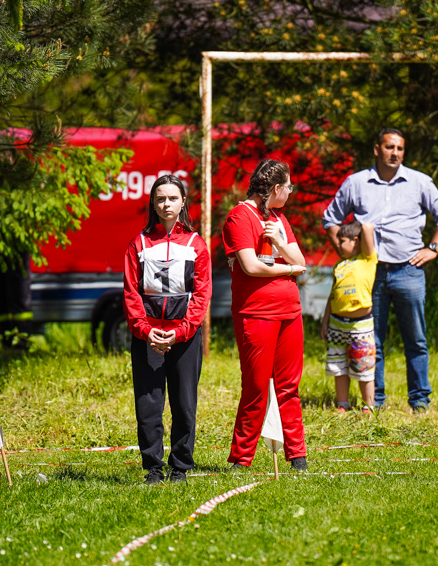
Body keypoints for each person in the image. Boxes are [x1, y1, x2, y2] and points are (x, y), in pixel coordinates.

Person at [322, 128, 438, 412]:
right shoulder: (356, 183)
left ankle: (419, 402)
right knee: (373, 340)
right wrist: (345, 253)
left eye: (399, 148)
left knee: (416, 340)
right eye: (389, 147)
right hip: (370, 274)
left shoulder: (419, 182)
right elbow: (331, 218)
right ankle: (377, 402)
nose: (394, 153)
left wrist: (432, 249)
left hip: (409, 269)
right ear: (377, 149)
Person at [123, 174, 212, 485]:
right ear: (153, 203)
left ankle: (180, 467)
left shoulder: (196, 244)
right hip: (147, 338)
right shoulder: (139, 244)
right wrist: (146, 331)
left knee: (184, 403)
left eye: (172, 198)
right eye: (160, 198)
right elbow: (131, 293)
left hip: (184, 338)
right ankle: (153, 468)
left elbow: (202, 294)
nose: (166, 203)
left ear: (183, 202)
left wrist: (182, 331)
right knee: (149, 404)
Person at [222, 158, 309, 471]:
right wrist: (289, 268)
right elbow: (251, 266)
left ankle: (297, 457)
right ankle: (241, 459)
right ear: (276, 188)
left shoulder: (278, 219)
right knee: (257, 386)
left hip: (289, 311)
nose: (290, 192)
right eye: (288, 187)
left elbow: (300, 259)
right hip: (256, 313)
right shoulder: (238, 217)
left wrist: (280, 243)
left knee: (289, 386)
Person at [320, 221, 377, 413]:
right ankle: (342, 404)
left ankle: (368, 406)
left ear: (355, 241)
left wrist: (362, 226)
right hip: (337, 324)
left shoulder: (367, 260)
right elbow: (332, 294)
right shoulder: (339, 265)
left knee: (364, 366)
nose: (338, 245)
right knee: (338, 367)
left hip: (360, 326)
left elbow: (368, 228)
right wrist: (325, 321)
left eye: (342, 241)